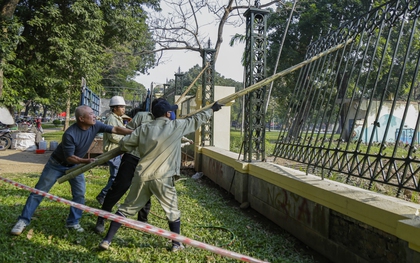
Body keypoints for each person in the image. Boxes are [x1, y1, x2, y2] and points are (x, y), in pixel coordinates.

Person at [98, 99, 223, 252]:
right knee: (172, 210)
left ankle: (107, 240)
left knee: (126, 208)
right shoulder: (176, 126)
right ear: (168, 113)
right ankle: (176, 244)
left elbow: (124, 144)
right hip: (163, 178)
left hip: (142, 175)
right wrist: (212, 109)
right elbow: (196, 120)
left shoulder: (143, 128)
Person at [10, 105, 133, 236]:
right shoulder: (70, 134)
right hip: (57, 164)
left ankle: (73, 222)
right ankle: (22, 221)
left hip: (75, 166)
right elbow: (70, 158)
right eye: (91, 114)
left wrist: (133, 132)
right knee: (39, 192)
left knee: (79, 194)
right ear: (81, 118)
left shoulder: (95, 125)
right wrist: (86, 161)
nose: (94, 116)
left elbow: (115, 129)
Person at [95, 96, 127, 205]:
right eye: (121, 107)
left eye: (124, 107)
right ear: (114, 108)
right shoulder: (111, 119)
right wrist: (126, 139)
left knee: (116, 176)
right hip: (112, 152)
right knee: (115, 177)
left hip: (117, 152)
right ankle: (103, 195)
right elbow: (112, 137)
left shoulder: (118, 118)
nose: (124, 109)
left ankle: (109, 197)